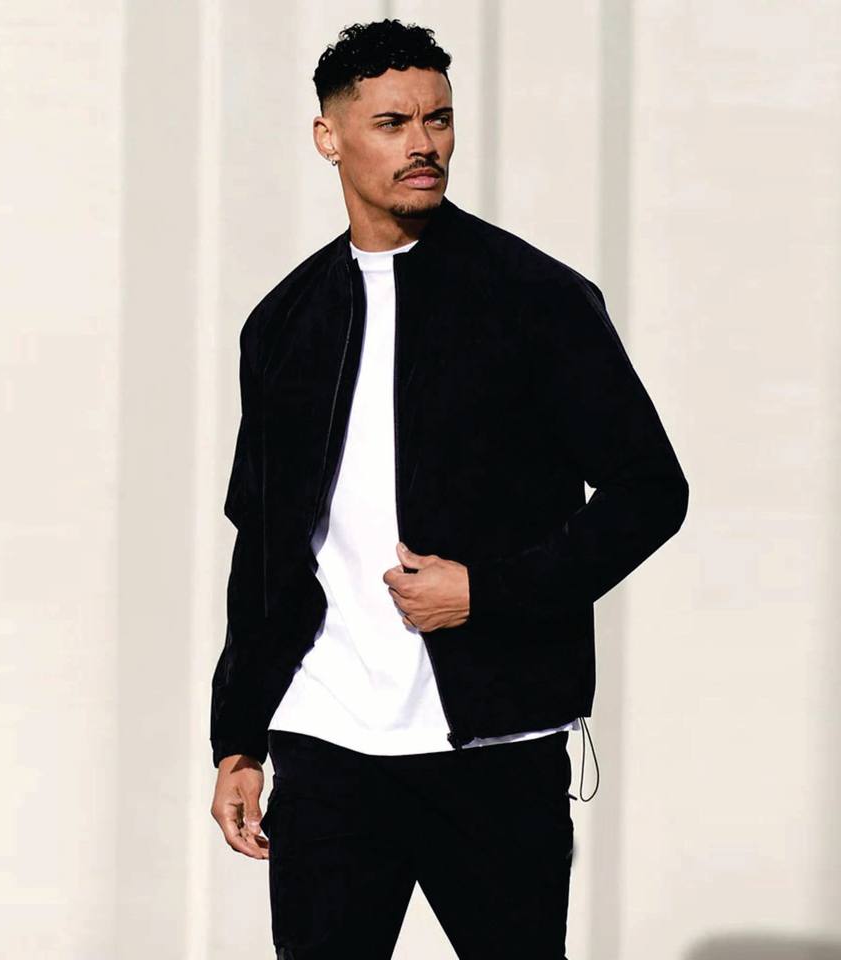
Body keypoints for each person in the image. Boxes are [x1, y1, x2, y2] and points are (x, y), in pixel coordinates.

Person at [209, 17, 688, 960]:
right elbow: (262, 548)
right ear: (328, 137)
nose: (422, 144)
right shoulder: (284, 323)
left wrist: (489, 592)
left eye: (438, 118)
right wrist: (238, 739)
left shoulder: (536, 299)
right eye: (391, 123)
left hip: (492, 748)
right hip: (326, 742)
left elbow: (648, 490)